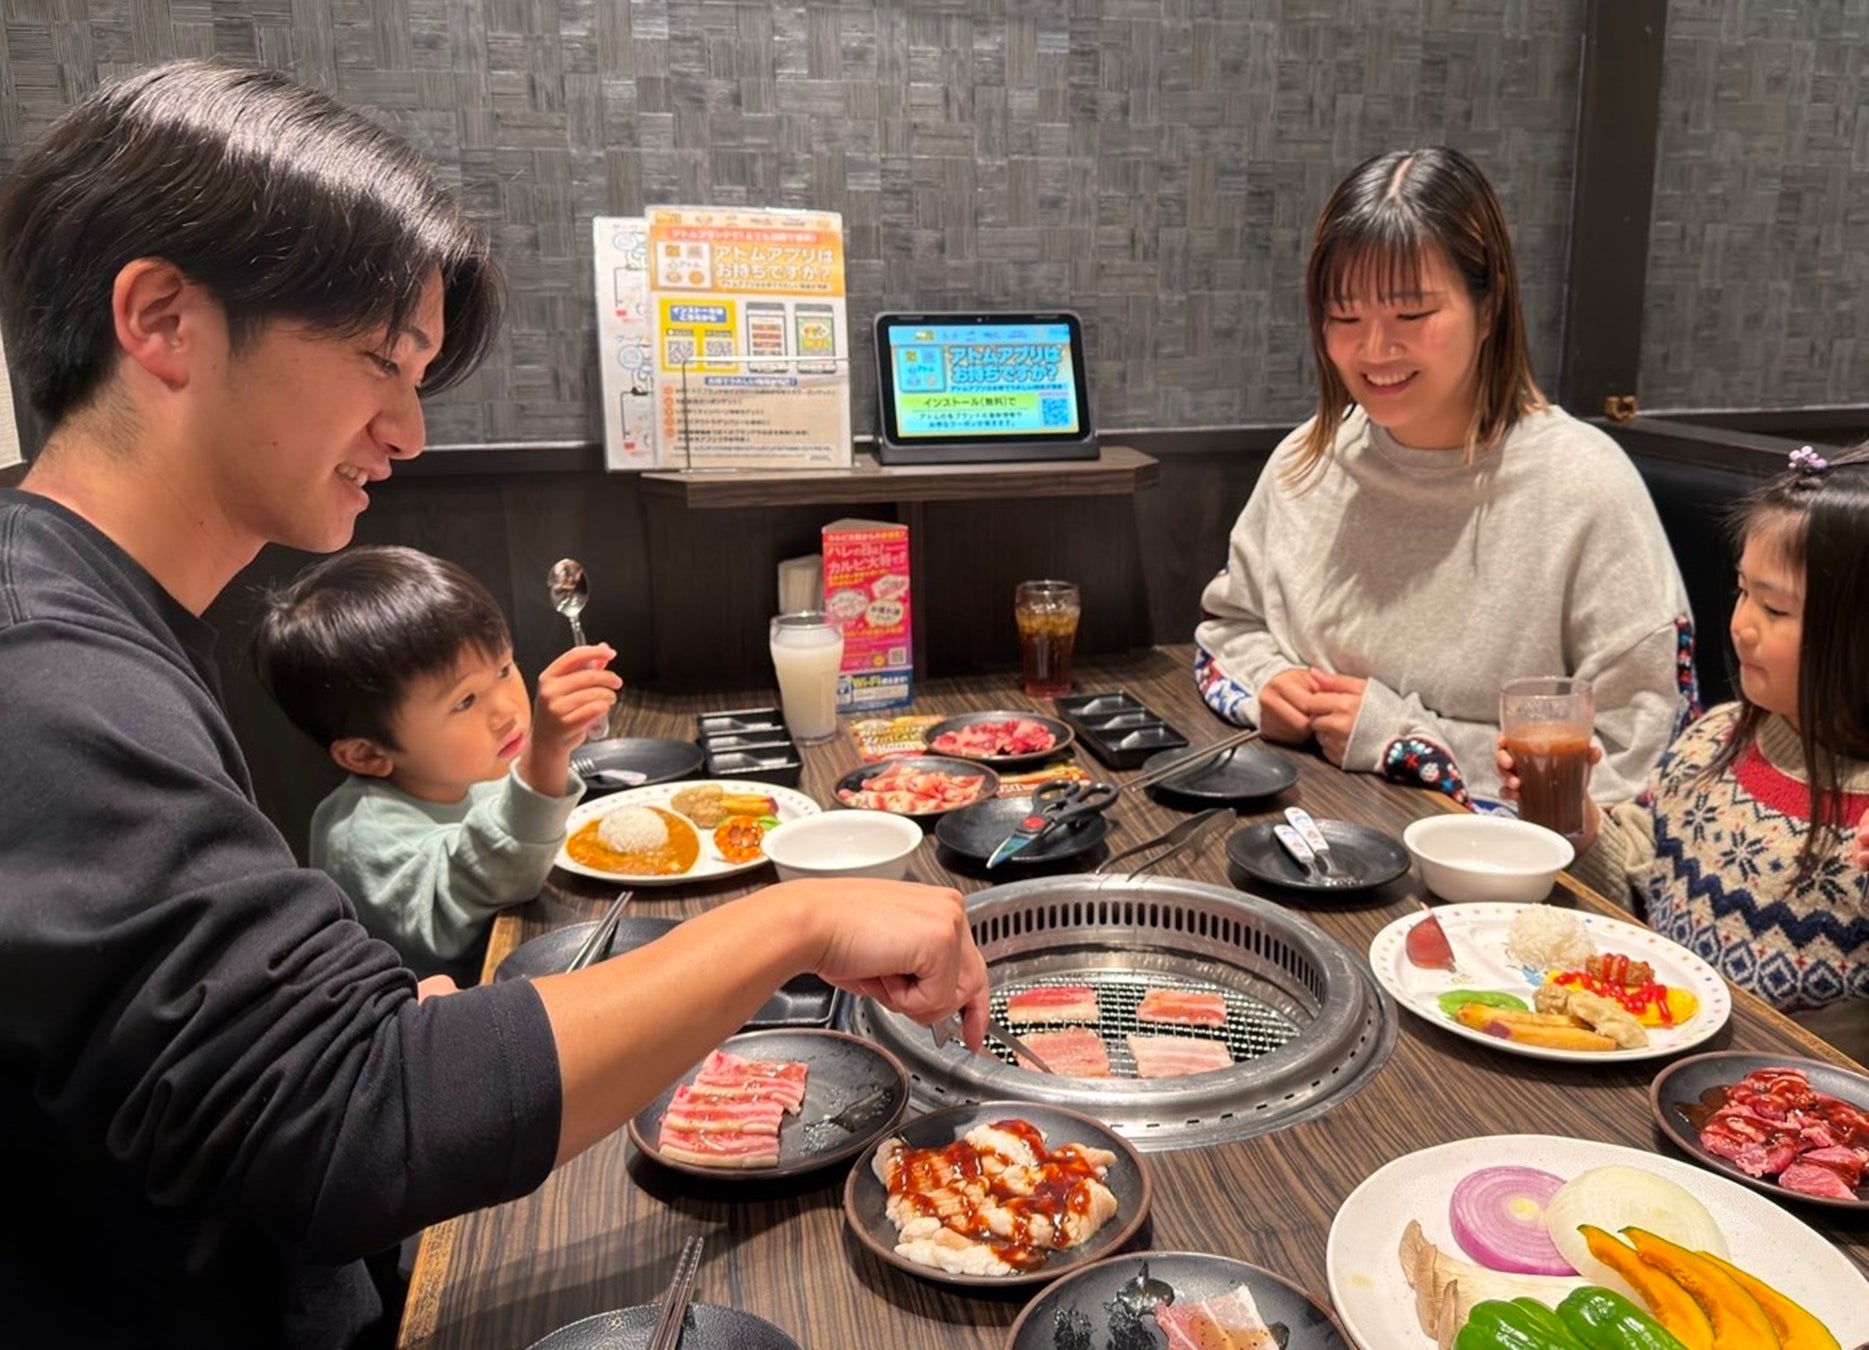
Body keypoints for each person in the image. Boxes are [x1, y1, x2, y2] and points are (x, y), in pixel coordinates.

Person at [0, 60, 988, 1348]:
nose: (408, 430)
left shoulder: (86, 614)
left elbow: (211, 1054)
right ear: (164, 320)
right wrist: (793, 922)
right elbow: (349, 1120)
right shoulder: (43, 676)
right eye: (380, 360)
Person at [1194, 146, 1696, 807]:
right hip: (1300, 829)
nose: (1373, 350)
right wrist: (1270, 687)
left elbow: (1644, 756)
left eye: (1411, 314)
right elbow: (1230, 627)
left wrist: (1405, 737)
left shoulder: (1583, 487)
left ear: (1488, 310)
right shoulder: (1306, 459)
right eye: (1344, 317)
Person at [1501, 446, 1869, 1061]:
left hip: (1778, 1107)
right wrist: (1576, 820)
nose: (1742, 624)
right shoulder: (1716, 737)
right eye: (1742, 591)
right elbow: (1646, 889)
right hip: (1649, 1053)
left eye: (1776, 608)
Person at [252, 545, 620, 982]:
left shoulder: (463, 769)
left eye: (504, 669)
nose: (506, 711)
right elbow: (475, 883)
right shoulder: (359, 836)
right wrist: (545, 754)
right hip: (452, 1029)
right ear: (368, 754)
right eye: (465, 700)